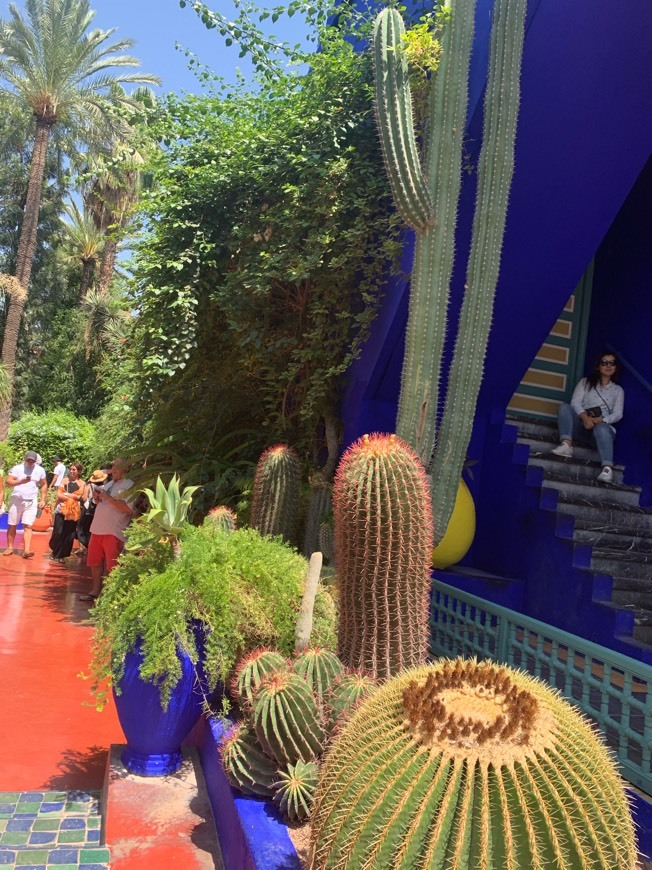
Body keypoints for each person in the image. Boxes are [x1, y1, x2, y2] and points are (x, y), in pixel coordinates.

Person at [551, 351, 624, 483]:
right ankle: (566, 445)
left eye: (612, 363)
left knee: (602, 428)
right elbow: (575, 402)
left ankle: (607, 469)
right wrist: (585, 417)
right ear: (598, 366)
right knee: (565, 407)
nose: (608, 366)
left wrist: (601, 420)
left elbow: (618, 413)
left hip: (600, 433)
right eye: (604, 363)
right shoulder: (585, 382)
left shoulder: (618, 390)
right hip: (582, 425)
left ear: (615, 367)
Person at [82, 458, 134, 602]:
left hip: (113, 531)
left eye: (118, 467)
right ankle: (95, 591)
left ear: (126, 469)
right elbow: (101, 501)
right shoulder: (109, 484)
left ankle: (110, 595)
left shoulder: (129, 485)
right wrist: (98, 498)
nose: (114, 470)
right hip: (97, 529)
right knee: (95, 562)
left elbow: (127, 509)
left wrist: (108, 498)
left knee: (113, 565)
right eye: (113, 466)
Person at [4, 451, 48, 558]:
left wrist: (42, 499)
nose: (30, 462)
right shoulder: (17, 468)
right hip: (17, 500)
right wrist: (20, 481)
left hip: (31, 501)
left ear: (35, 460)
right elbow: (8, 481)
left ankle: (27, 550)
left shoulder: (40, 470)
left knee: (28, 525)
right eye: (28, 459)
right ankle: (10, 547)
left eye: (32, 460)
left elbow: (43, 484)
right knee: (12, 524)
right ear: (25, 458)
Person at [49, 462, 87, 562]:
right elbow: (59, 495)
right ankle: (54, 550)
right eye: (71, 469)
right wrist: (72, 496)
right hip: (61, 509)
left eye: (74, 469)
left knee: (68, 534)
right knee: (58, 532)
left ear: (79, 471)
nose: (71, 471)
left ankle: (61, 555)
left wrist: (67, 494)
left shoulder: (82, 483)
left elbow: (79, 497)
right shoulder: (64, 480)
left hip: (73, 512)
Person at [76, 468, 107, 556]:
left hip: (88, 508)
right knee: (92, 529)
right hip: (98, 510)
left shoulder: (89, 485)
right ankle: (92, 549)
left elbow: (84, 498)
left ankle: (83, 547)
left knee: (81, 527)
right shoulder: (105, 487)